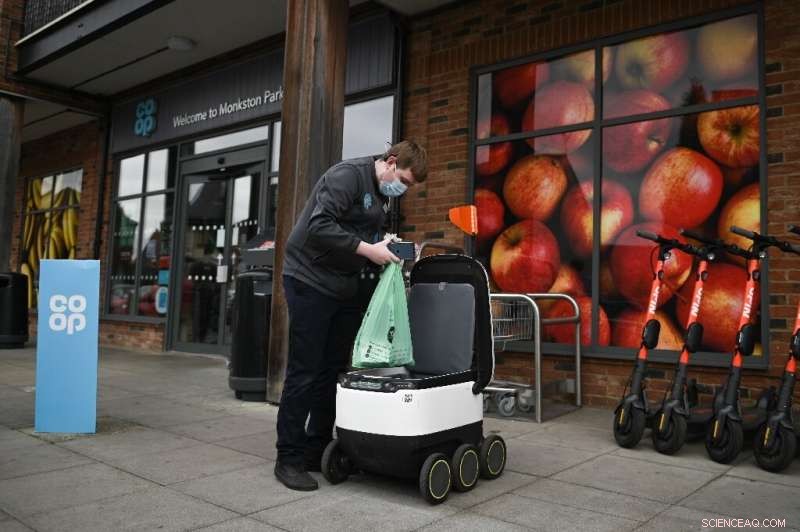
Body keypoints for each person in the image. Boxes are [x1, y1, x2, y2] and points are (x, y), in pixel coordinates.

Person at [274, 140, 428, 491]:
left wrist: (386, 244)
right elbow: (319, 225)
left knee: (332, 370)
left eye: (408, 186)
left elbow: (362, 234)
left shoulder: (381, 193)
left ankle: (316, 449)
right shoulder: (346, 176)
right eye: (403, 180)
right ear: (390, 162)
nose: (402, 189)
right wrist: (367, 249)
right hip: (308, 279)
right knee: (305, 369)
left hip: (342, 285)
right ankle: (289, 457)